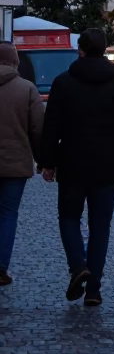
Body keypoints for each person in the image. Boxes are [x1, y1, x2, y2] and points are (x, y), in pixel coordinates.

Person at [39, 29, 114, 306]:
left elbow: (51, 126)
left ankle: (78, 265)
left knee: (69, 219)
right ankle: (93, 290)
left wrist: (47, 162)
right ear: (105, 50)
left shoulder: (64, 82)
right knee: (100, 226)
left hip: (72, 163)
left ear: (80, 49)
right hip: (107, 166)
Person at [0, 41, 44, 287]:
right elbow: (38, 129)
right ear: (16, 62)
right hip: (15, 164)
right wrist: (43, 161)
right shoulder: (27, 89)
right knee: (7, 215)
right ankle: (1, 268)